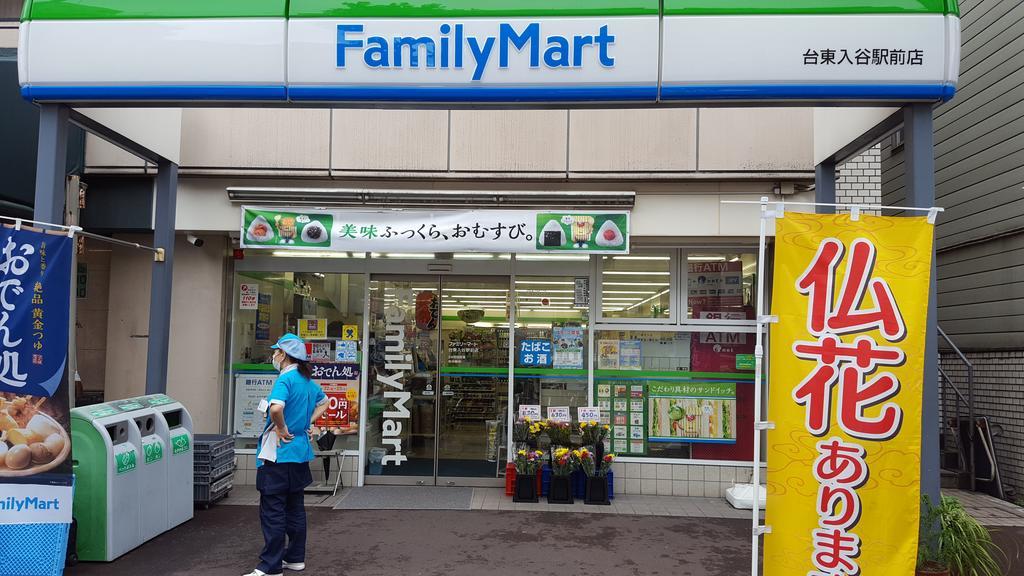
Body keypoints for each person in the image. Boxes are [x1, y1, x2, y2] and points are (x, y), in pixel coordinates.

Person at [244, 334, 328, 576]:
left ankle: (270, 566)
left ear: (284, 355)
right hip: (300, 453)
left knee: (273, 510)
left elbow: (277, 408)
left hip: (278, 454)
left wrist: (280, 427)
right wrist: (305, 422)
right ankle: (295, 558)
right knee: (295, 508)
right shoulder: (307, 380)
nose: (273, 356)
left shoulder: (285, 380)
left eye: (276, 352)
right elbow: (325, 402)